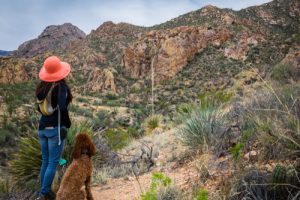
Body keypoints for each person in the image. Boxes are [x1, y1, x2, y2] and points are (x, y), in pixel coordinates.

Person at [36, 56, 72, 200]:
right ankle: (43, 194)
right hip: (55, 129)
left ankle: (43, 190)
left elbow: (39, 109)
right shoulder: (61, 87)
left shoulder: (41, 87)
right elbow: (63, 107)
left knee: (45, 160)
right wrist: (67, 123)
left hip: (42, 128)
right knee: (53, 162)